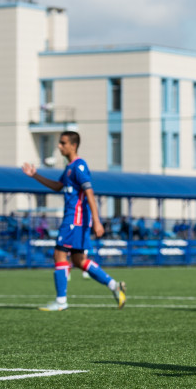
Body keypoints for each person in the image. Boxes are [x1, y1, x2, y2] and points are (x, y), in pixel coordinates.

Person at [22, 131, 126, 311]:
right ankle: (114, 286)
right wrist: (35, 175)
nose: (59, 146)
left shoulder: (79, 166)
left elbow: (90, 193)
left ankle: (61, 302)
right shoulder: (69, 167)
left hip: (74, 219)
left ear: (73, 145)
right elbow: (57, 186)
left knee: (59, 255)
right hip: (75, 220)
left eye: (63, 143)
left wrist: (97, 220)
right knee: (78, 260)